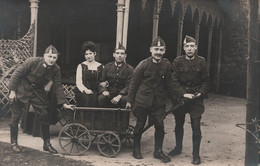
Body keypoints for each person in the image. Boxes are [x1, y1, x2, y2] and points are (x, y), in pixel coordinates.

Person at [8, 45, 74, 153]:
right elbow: (16, 75)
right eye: (49, 56)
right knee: (15, 117)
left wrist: (63, 103)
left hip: (37, 93)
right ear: (44, 56)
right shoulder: (32, 61)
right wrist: (12, 91)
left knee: (44, 114)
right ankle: (14, 143)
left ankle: (46, 144)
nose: (52, 59)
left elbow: (58, 85)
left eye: (54, 57)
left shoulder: (56, 69)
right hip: (22, 89)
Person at [126, 36, 173, 163]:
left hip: (158, 102)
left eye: (161, 50)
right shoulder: (143, 65)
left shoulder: (167, 65)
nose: (158, 52)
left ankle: (158, 151)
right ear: (151, 50)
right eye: (156, 49)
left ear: (164, 51)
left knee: (160, 125)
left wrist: (176, 98)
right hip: (143, 100)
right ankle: (136, 149)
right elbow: (134, 84)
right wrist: (130, 100)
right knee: (140, 124)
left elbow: (169, 84)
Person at [168, 35, 210, 165]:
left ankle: (196, 155)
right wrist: (183, 94)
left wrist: (200, 93)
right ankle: (178, 148)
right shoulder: (177, 61)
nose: (190, 49)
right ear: (184, 48)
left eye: (192, 46)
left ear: (196, 48)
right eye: (187, 46)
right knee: (178, 124)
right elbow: (173, 81)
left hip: (196, 100)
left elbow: (206, 81)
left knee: (196, 127)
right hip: (181, 99)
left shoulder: (202, 62)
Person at [98, 43, 134, 108]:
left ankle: (122, 118)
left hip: (122, 94)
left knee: (125, 100)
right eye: (117, 53)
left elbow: (129, 86)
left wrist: (119, 96)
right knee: (101, 98)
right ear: (114, 55)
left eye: (122, 53)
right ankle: (104, 117)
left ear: (125, 55)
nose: (119, 55)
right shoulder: (107, 67)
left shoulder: (130, 69)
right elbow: (101, 82)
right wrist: (104, 91)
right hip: (109, 93)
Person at [75, 41, 103, 107]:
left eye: (90, 53)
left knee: (96, 98)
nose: (88, 56)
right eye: (86, 54)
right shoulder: (81, 66)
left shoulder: (101, 66)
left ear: (94, 53)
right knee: (87, 98)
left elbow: (103, 81)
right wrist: (85, 90)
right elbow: (78, 82)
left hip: (96, 91)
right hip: (83, 91)